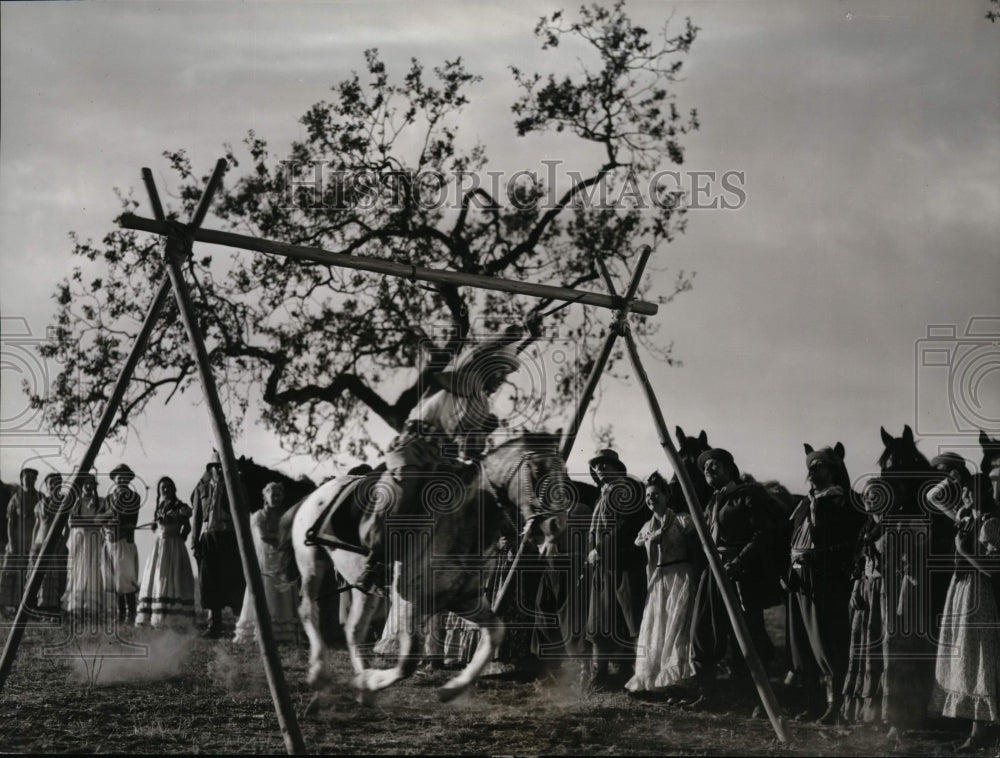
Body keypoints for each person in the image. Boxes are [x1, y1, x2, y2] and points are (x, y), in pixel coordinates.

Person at [355, 322, 537, 595]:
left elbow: (468, 447)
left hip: (443, 458)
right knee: (407, 485)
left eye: (506, 373)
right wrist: (514, 334)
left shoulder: (482, 405)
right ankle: (376, 560)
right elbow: (479, 353)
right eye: (499, 371)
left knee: (477, 494)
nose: (502, 378)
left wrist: (479, 447)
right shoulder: (458, 382)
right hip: (413, 446)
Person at [689, 448, 783, 700]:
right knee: (703, 629)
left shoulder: (748, 496)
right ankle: (707, 694)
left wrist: (740, 561)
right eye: (705, 467)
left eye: (714, 464)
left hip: (741, 574)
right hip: (713, 572)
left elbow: (763, 534)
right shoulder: (711, 502)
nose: (708, 469)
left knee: (747, 632)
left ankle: (754, 696)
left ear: (729, 468)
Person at [925, 453, 1000, 751]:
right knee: (964, 657)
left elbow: (993, 570)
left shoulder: (990, 523)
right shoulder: (965, 517)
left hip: (980, 594)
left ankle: (980, 732)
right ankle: (977, 730)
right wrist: (954, 479)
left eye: (972, 491)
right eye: (964, 491)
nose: (966, 496)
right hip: (961, 591)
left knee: (978, 657)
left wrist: (964, 550)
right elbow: (933, 497)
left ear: (987, 493)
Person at [784, 445, 863, 723]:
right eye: (811, 466)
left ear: (834, 470)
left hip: (826, 579)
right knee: (802, 643)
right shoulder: (804, 503)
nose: (814, 471)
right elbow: (793, 539)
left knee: (826, 642)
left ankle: (835, 706)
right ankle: (812, 703)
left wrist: (820, 557)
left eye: (821, 466)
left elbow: (853, 544)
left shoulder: (844, 502)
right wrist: (789, 569)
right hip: (799, 578)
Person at [625, 471, 699, 695]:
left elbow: (695, 547)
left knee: (677, 627)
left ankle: (678, 679)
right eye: (648, 495)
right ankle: (654, 679)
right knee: (657, 627)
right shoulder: (646, 528)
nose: (651, 499)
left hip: (679, 576)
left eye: (656, 494)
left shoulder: (681, 520)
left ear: (667, 496)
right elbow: (639, 547)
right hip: (658, 580)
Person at [584, 449, 648, 690]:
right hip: (604, 568)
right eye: (596, 465)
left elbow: (626, 525)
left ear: (618, 468)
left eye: (606, 464)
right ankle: (600, 677)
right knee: (600, 621)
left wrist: (600, 549)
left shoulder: (626, 489)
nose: (600, 468)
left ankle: (635, 676)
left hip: (625, 565)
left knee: (631, 620)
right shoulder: (603, 495)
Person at [841, 477, 889, 724]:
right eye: (866, 495)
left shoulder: (892, 527)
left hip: (884, 592)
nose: (869, 499)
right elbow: (859, 562)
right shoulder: (867, 526)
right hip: (865, 591)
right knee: (861, 645)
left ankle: (878, 711)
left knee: (879, 648)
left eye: (875, 495)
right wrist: (856, 586)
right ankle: (858, 708)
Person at [234, 482, 301, 645]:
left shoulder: (285, 516)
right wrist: (284, 539)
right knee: (266, 590)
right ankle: (262, 629)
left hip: (283, 558)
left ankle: (284, 632)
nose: (276, 498)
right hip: (266, 560)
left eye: (279, 495)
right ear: (265, 497)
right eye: (273, 495)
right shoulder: (259, 516)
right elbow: (263, 536)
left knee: (283, 592)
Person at [191, 451, 245, 637]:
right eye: (217, 467)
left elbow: (243, 513)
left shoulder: (236, 487)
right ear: (211, 468)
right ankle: (215, 625)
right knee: (210, 581)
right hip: (209, 537)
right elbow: (197, 516)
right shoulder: (201, 488)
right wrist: (194, 541)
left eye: (223, 467)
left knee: (234, 580)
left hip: (230, 537)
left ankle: (240, 626)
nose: (220, 470)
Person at [136, 477, 196, 629]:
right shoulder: (160, 506)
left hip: (174, 545)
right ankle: (157, 616)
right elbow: (157, 525)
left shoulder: (180, 507)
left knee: (174, 577)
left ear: (173, 489)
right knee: (158, 577)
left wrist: (180, 537)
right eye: (162, 487)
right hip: (160, 546)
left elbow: (187, 527)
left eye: (168, 487)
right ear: (159, 490)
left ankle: (174, 617)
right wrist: (155, 525)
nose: (165, 490)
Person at [63, 472, 110, 623]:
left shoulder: (100, 502)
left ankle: (91, 608)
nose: (88, 486)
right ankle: (75, 608)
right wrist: (92, 522)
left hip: (94, 540)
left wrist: (87, 522)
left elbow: (102, 521)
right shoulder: (76, 502)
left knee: (93, 571)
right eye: (86, 483)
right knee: (78, 570)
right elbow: (72, 522)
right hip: (80, 539)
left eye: (91, 483)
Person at [103, 464, 142, 625]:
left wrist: (114, 520)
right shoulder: (108, 498)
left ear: (129, 479)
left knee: (126, 578)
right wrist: (106, 523)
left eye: (125, 477)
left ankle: (131, 614)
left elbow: (130, 519)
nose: (121, 479)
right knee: (114, 579)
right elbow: (101, 517)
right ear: (114, 479)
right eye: (118, 477)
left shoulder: (134, 497)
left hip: (125, 541)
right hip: (110, 542)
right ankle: (120, 615)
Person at [1, 467, 41, 613]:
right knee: (11, 573)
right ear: (21, 479)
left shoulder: (40, 497)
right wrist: (11, 543)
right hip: (17, 541)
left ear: (35, 480)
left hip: (33, 541)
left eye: (32, 478)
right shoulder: (16, 498)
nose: (29, 480)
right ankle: (5, 606)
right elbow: (10, 523)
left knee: (28, 574)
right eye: (26, 478)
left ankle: (24, 607)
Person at [32, 472, 69, 615]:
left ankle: (51, 609)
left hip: (55, 544)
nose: (54, 485)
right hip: (39, 544)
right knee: (37, 576)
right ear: (46, 486)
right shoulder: (41, 503)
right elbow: (37, 525)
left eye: (57, 483)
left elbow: (67, 528)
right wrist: (33, 545)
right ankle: (36, 608)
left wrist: (63, 545)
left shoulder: (64, 503)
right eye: (51, 483)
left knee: (53, 577)